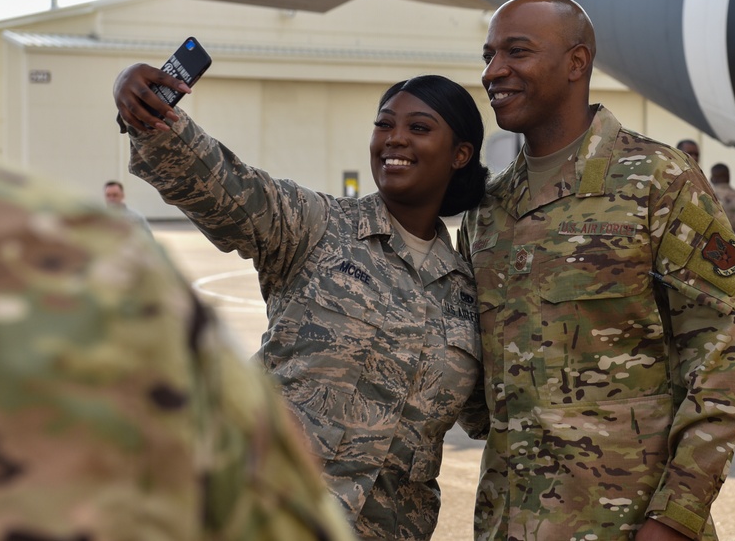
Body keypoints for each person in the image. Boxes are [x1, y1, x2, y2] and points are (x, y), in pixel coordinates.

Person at [113, 68, 490, 540]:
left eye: (419, 127)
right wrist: (148, 112)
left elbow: (492, 413)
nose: (394, 138)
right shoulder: (317, 225)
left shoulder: (466, 294)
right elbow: (226, 184)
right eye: (384, 124)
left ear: (460, 154)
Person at [459, 0, 735, 540]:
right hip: (509, 521)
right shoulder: (489, 210)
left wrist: (677, 516)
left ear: (577, 62)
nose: (493, 71)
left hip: (629, 524)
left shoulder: (657, 180)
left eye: (516, 52)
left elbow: (723, 352)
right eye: (488, 55)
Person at [0, 148, 353, 541]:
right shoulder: (78, 234)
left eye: (115, 194)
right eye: (108, 194)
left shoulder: (109, 239)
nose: (112, 198)